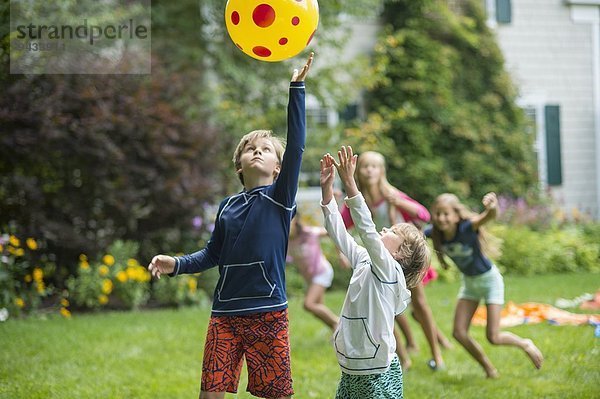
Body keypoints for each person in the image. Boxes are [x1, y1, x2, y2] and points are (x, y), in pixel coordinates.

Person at [147, 53, 314, 399]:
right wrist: (175, 264)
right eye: (250, 148)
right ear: (239, 165)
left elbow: (296, 147)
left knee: (276, 395)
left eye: (266, 149)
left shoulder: (280, 198)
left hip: (268, 312)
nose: (256, 152)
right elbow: (212, 254)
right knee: (210, 393)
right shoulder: (227, 206)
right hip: (224, 312)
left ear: (278, 168)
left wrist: (296, 89)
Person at [320, 146, 430, 398]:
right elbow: (338, 232)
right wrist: (327, 192)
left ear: (399, 254)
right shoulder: (365, 260)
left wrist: (349, 182)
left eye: (392, 232)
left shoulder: (389, 271)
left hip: (376, 369)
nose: (384, 230)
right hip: (352, 364)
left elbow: (366, 228)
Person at [340, 150, 449, 371]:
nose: (369, 170)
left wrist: (398, 201)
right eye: (365, 166)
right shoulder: (360, 199)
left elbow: (424, 215)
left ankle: (437, 354)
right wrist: (340, 251)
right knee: (388, 309)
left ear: (382, 171)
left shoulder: (390, 193)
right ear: (358, 171)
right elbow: (341, 225)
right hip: (381, 261)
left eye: (374, 166)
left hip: (403, 258)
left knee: (420, 306)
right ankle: (402, 356)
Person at [426, 192, 544, 378]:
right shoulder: (434, 233)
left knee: (494, 337)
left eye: (446, 214)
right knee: (459, 333)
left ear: (456, 215)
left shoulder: (467, 227)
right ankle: (489, 369)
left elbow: (489, 216)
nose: (441, 218)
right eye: (438, 214)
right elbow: (412, 234)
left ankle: (525, 343)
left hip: (490, 281)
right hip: (470, 284)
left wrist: (492, 207)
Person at [287, 213, 343, 330]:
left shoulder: (309, 233)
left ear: (295, 221)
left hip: (322, 272)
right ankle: (336, 330)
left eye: (289, 221)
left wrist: (341, 255)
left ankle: (340, 324)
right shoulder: (285, 241)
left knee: (309, 304)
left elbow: (331, 232)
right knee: (318, 310)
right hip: (310, 279)